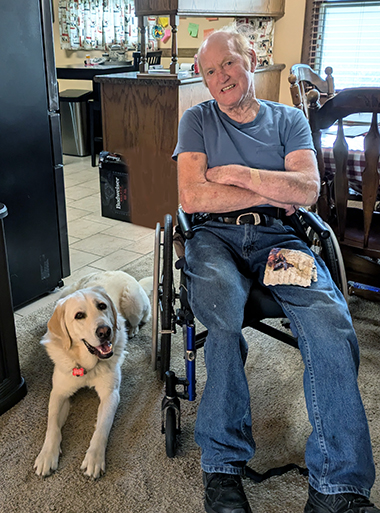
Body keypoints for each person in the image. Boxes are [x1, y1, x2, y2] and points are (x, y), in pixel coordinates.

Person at [172, 23, 379, 513]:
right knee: (221, 314)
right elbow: (193, 195)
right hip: (214, 238)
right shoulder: (197, 120)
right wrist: (272, 187)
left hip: (278, 240)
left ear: (250, 60)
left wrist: (242, 176)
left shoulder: (289, 119)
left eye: (229, 62)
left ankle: (339, 488)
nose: (221, 76)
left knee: (330, 323)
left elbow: (306, 191)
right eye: (209, 70)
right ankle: (222, 469)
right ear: (202, 79)